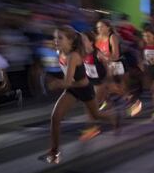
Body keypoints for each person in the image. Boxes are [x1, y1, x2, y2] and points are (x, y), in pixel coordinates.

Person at [40, 26, 117, 164]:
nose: (56, 40)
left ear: (70, 41)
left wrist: (56, 83)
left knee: (96, 115)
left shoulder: (73, 56)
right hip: (72, 90)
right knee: (55, 117)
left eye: (60, 38)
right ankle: (54, 151)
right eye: (55, 37)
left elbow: (68, 81)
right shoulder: (60, 52)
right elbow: (67, 81)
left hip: (84, 89)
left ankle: (114, 118)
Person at [78, 31, 110, 141]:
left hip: (99, 82)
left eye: (84, 40)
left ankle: (93, 128)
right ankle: (96, 125)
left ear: (91, 42)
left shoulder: (98, 53)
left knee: (93, 107)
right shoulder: (82, 53)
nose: (81, 42)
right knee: (89, 106)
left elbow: (107, 66)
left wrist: (106, 81)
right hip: (90, 82)